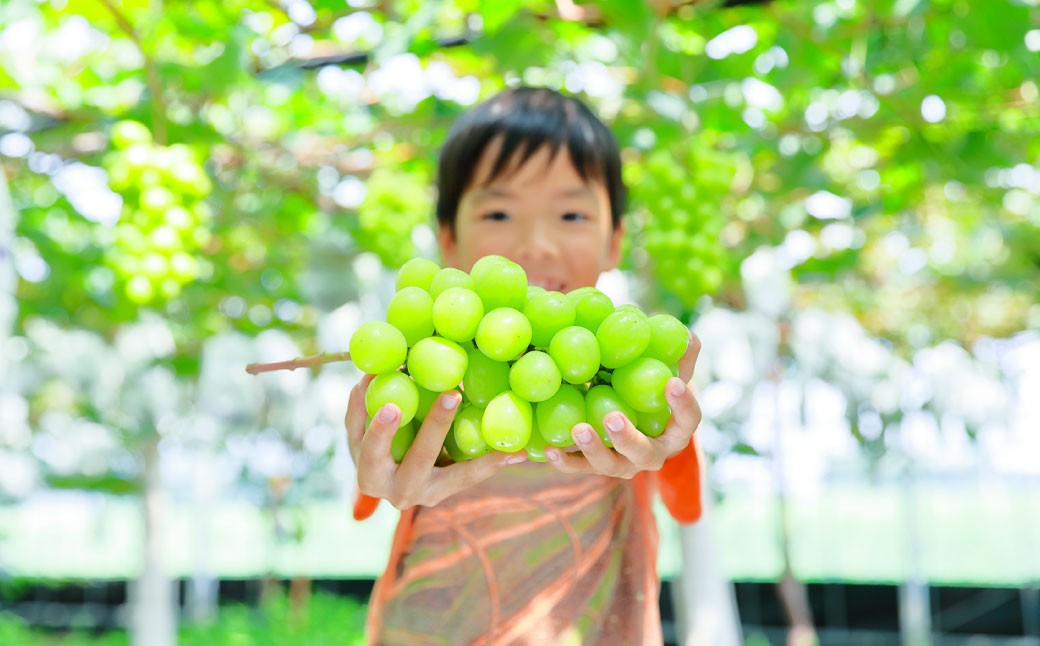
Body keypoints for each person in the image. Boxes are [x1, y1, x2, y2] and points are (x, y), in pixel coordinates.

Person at [344, 86, 704, 645]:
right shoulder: (430, 374)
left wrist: (667, 431)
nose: (535, 244)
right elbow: (381, 482)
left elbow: (682, 491)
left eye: (570, 213)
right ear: (448, 239)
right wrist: (385, 458)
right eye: (499, 211)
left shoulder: (622, 386)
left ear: (614, 242)